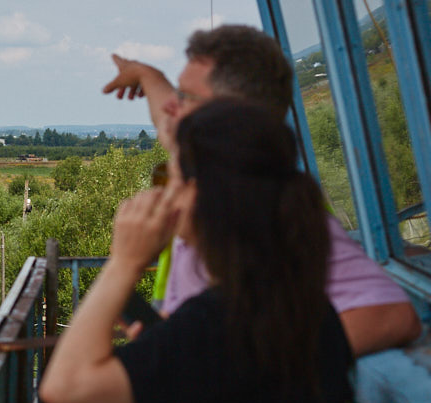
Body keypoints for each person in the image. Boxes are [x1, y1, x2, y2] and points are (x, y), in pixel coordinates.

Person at [41, 100, 352, 403]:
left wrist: (124, 263)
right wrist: (167, 345)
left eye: (174, 178)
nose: (166, 196)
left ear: (206, 196)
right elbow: (235, 402)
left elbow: (65, 385)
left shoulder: (213, 327)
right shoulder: (308, 309)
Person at [102, 24, 420, 355]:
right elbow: (166, 115)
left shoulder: (276, 210)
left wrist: (231, 372)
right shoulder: (204, 171)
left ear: (234, 115)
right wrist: (143, 73)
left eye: (185, 97)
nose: (170, 106)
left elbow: (392, 317)